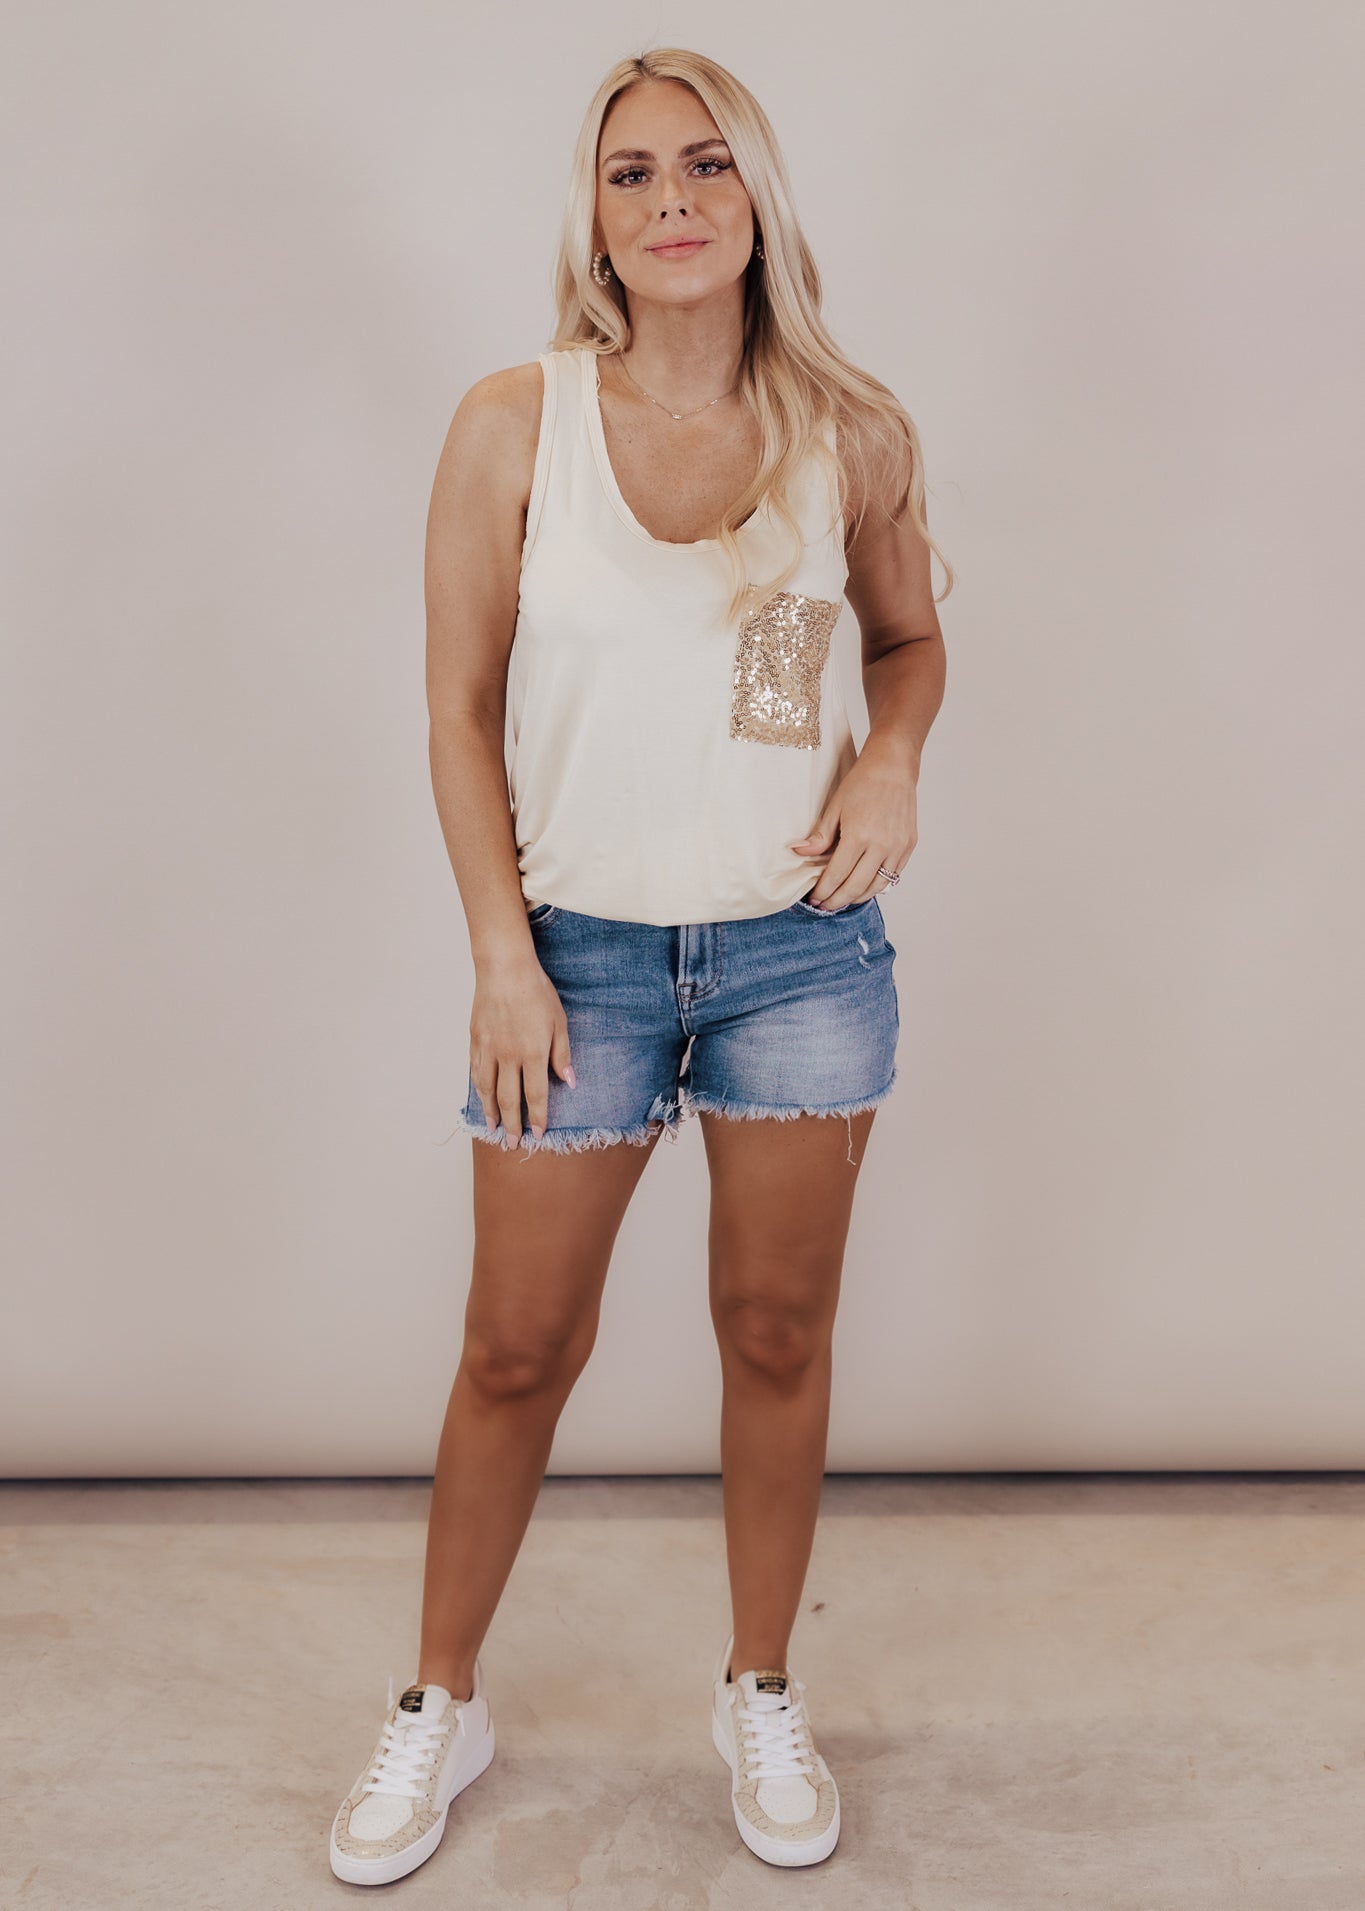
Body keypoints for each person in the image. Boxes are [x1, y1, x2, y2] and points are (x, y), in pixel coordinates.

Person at [329, 44, 951, 1886]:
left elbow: (905, 644)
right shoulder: (512, 422)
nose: (670, 200)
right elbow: (456, 711)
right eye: (631, 174)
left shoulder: (851, 430)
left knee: (775, 1332)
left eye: (704, 165)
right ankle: (439, 1701)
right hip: (575, 961)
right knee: (516, 1347)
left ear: (756, 195)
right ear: (593, 219)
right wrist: (500, 958)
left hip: (798, 960)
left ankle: (761, 1687)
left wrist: (892, 761)